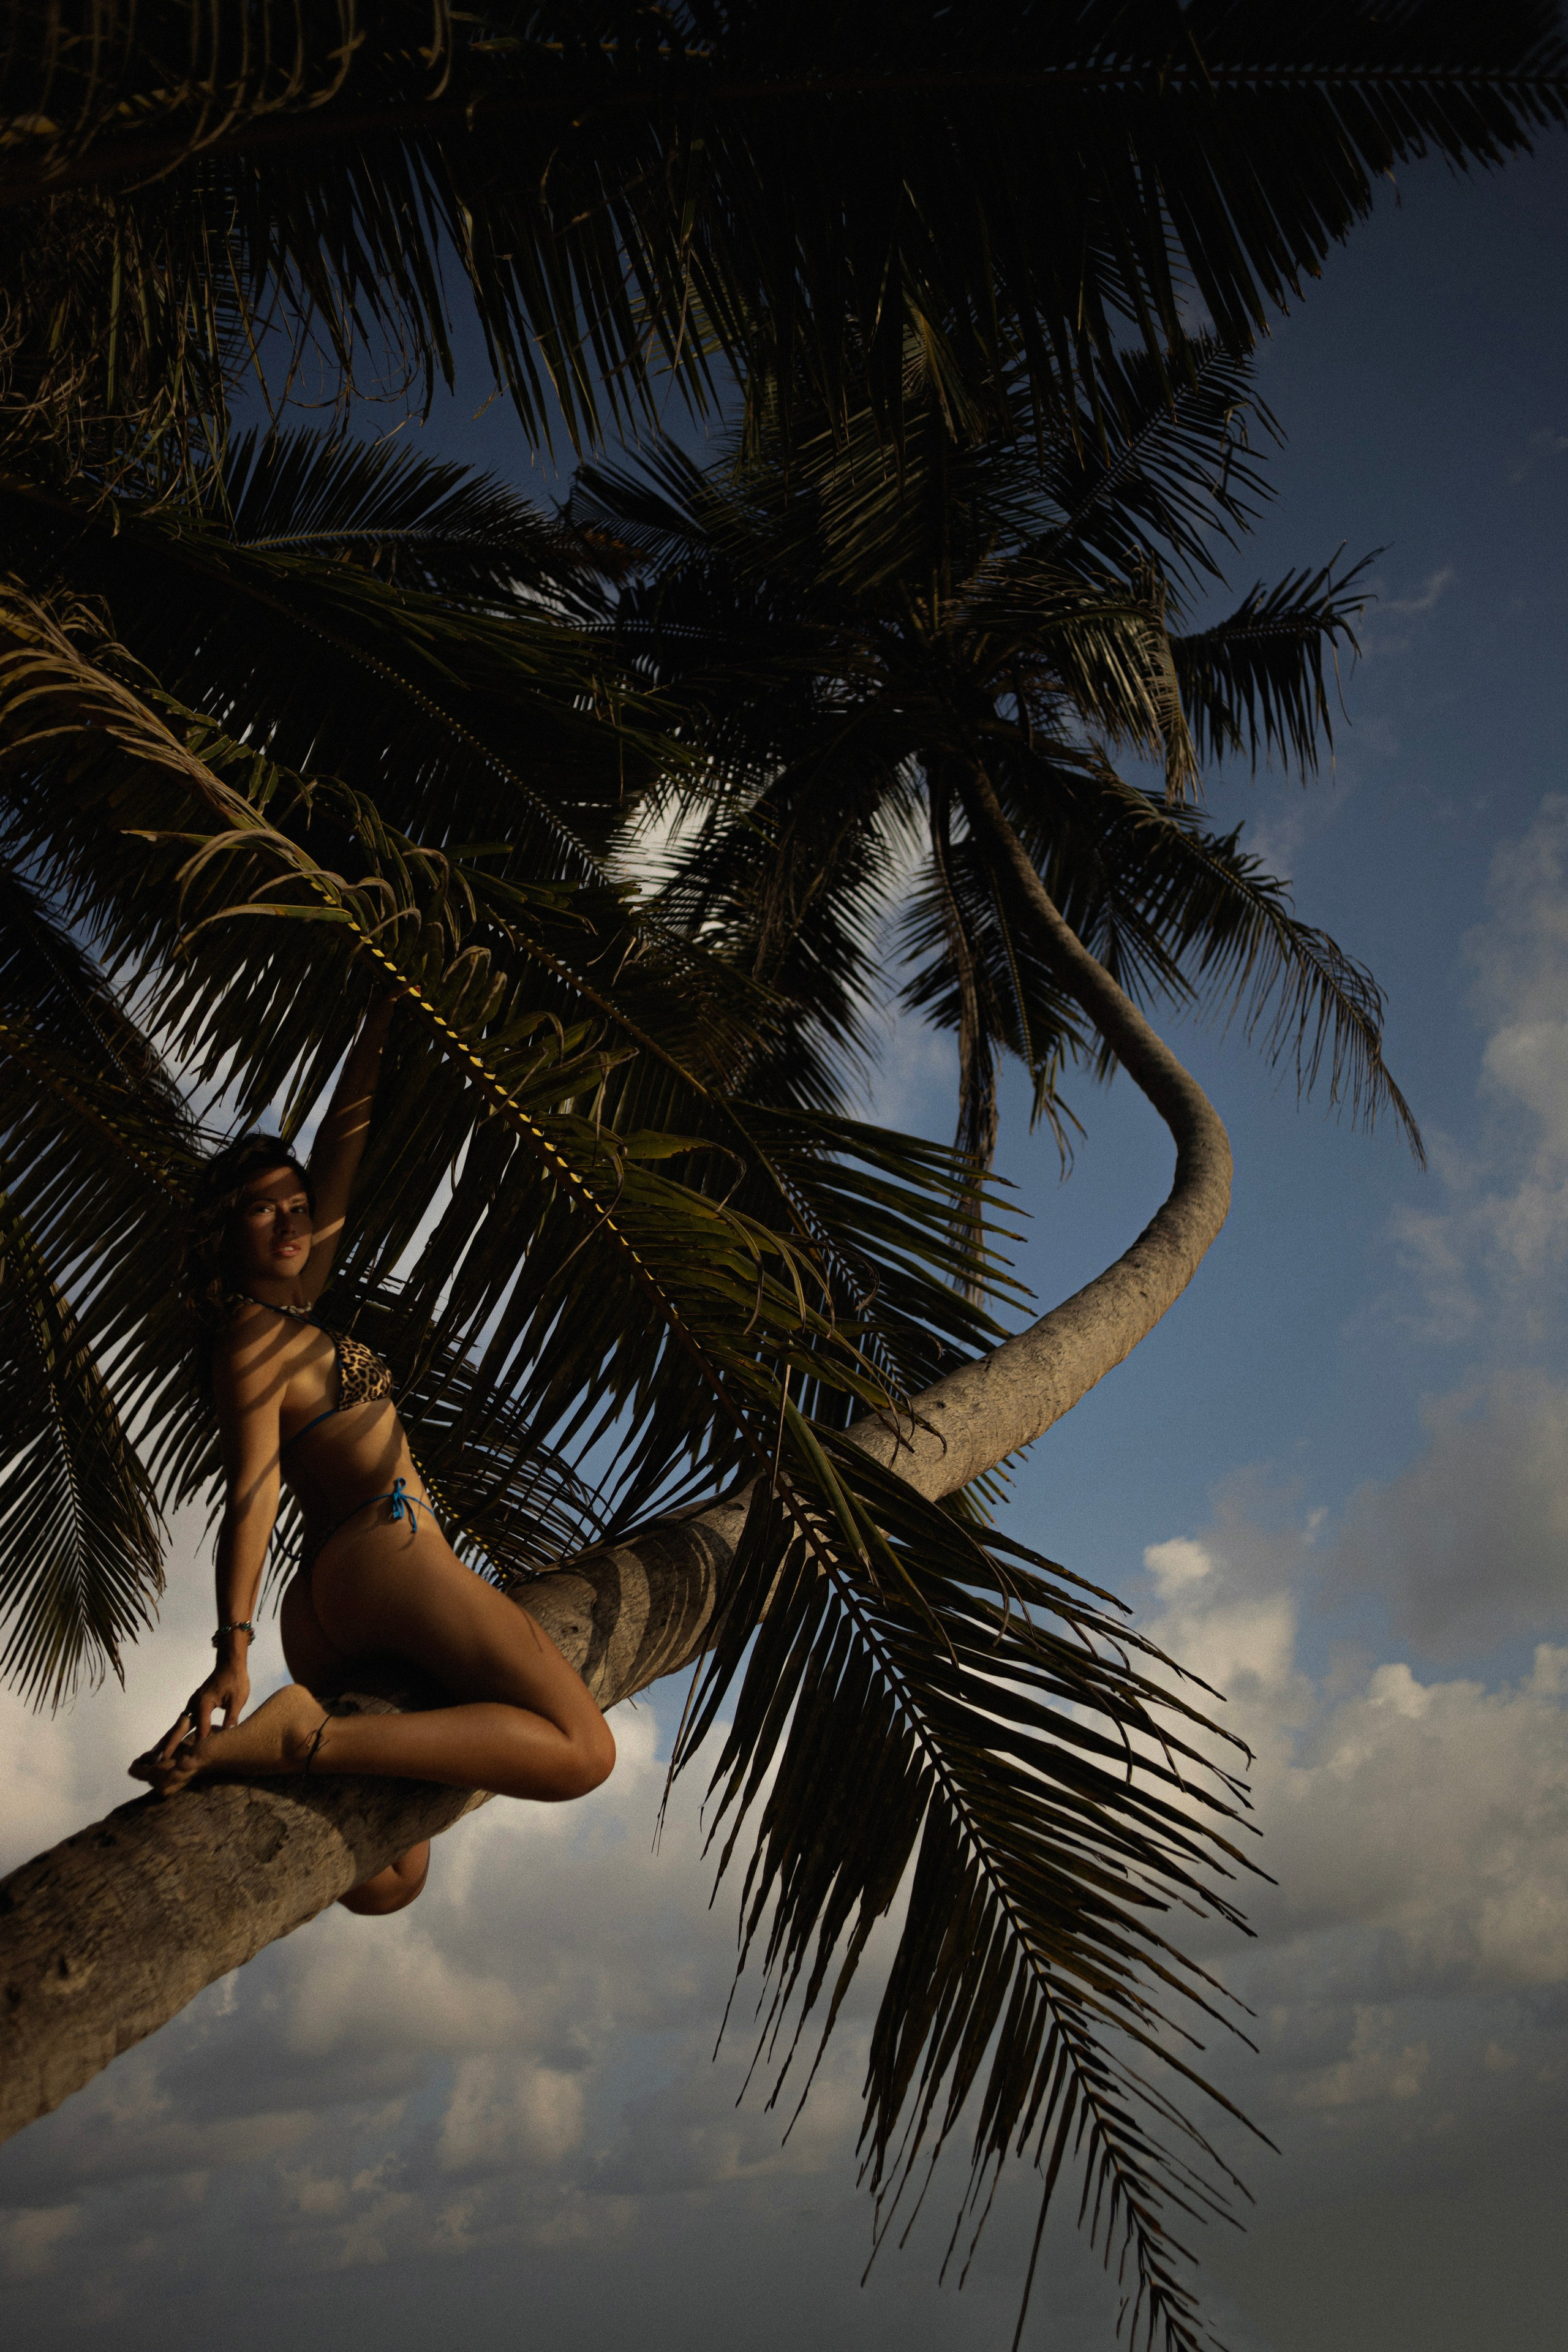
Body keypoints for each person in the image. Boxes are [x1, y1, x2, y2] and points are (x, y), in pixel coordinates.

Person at [129, 992, 614, 1915]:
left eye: (295, 1207)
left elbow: (341, 1155)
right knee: (585, 1753)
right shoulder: (252, 1338)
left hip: (328, 1605)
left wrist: (380, 1020)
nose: (289, 1222)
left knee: (394, 1876)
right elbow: (252, 1491)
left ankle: (286, 1752)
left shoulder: (288, 1311)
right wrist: (232, 1652)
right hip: (382, 1554)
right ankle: (305, 1739)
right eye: (261, 1211)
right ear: (223, 1235)